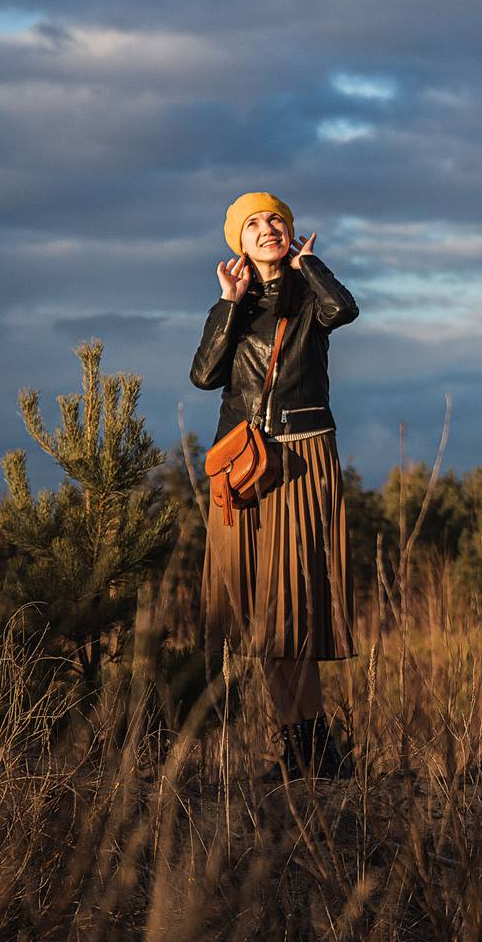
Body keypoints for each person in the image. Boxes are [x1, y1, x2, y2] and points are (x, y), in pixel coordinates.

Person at [190, 191, 360, 781]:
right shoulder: (235, 306)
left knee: (293, 609)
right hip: (241, 472)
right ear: (237, 241)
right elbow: (205, 376)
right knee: (261, 613)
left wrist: (308, 265)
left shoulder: (310, 295)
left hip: (300, 460)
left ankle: (316, 750)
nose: (267, 229)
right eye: (253, 224)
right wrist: (227, 304)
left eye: (277, 220)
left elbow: (345, 310)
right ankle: (300, 747)